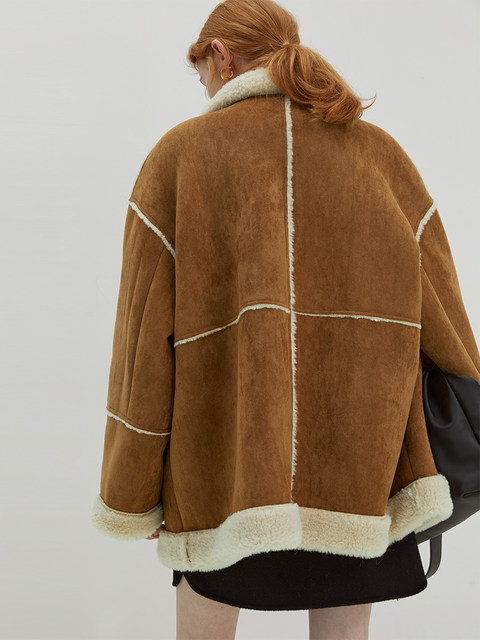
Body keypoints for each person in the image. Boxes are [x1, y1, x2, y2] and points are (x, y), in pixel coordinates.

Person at [90, 1, 480, 639]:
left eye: (200, 73)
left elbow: (141, 352)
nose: (204, 89)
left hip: (223, 472)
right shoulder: (380, 155)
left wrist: (133, 489)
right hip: (363, 466)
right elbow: (448, 319)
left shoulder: (179, 158)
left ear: (221, 57)